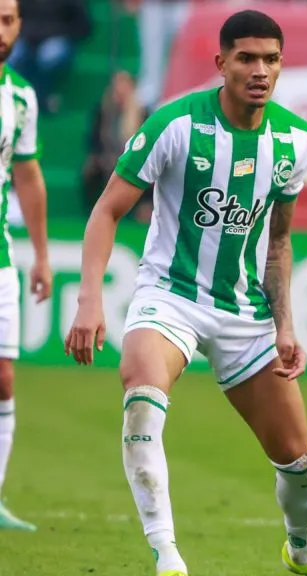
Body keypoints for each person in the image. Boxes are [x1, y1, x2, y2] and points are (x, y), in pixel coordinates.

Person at [64, 10, 307, 576]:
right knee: (142, 393)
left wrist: (285, 326)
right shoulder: (174, 124)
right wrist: (89, 299)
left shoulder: (295, 139)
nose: (260, 70)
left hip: (244, 310)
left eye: (270, 59)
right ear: (220, 62)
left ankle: (303, 554)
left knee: (298, 461)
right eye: (246, 58)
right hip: (169, 294)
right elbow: (107, 210)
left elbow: (279, 242)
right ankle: (168, 556)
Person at [0, 0, 53, 533]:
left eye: (8, 20)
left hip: (0, 258)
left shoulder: (18, 95)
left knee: (3, 377)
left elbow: (28, 174)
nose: (1, 31)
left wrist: (40, 254)